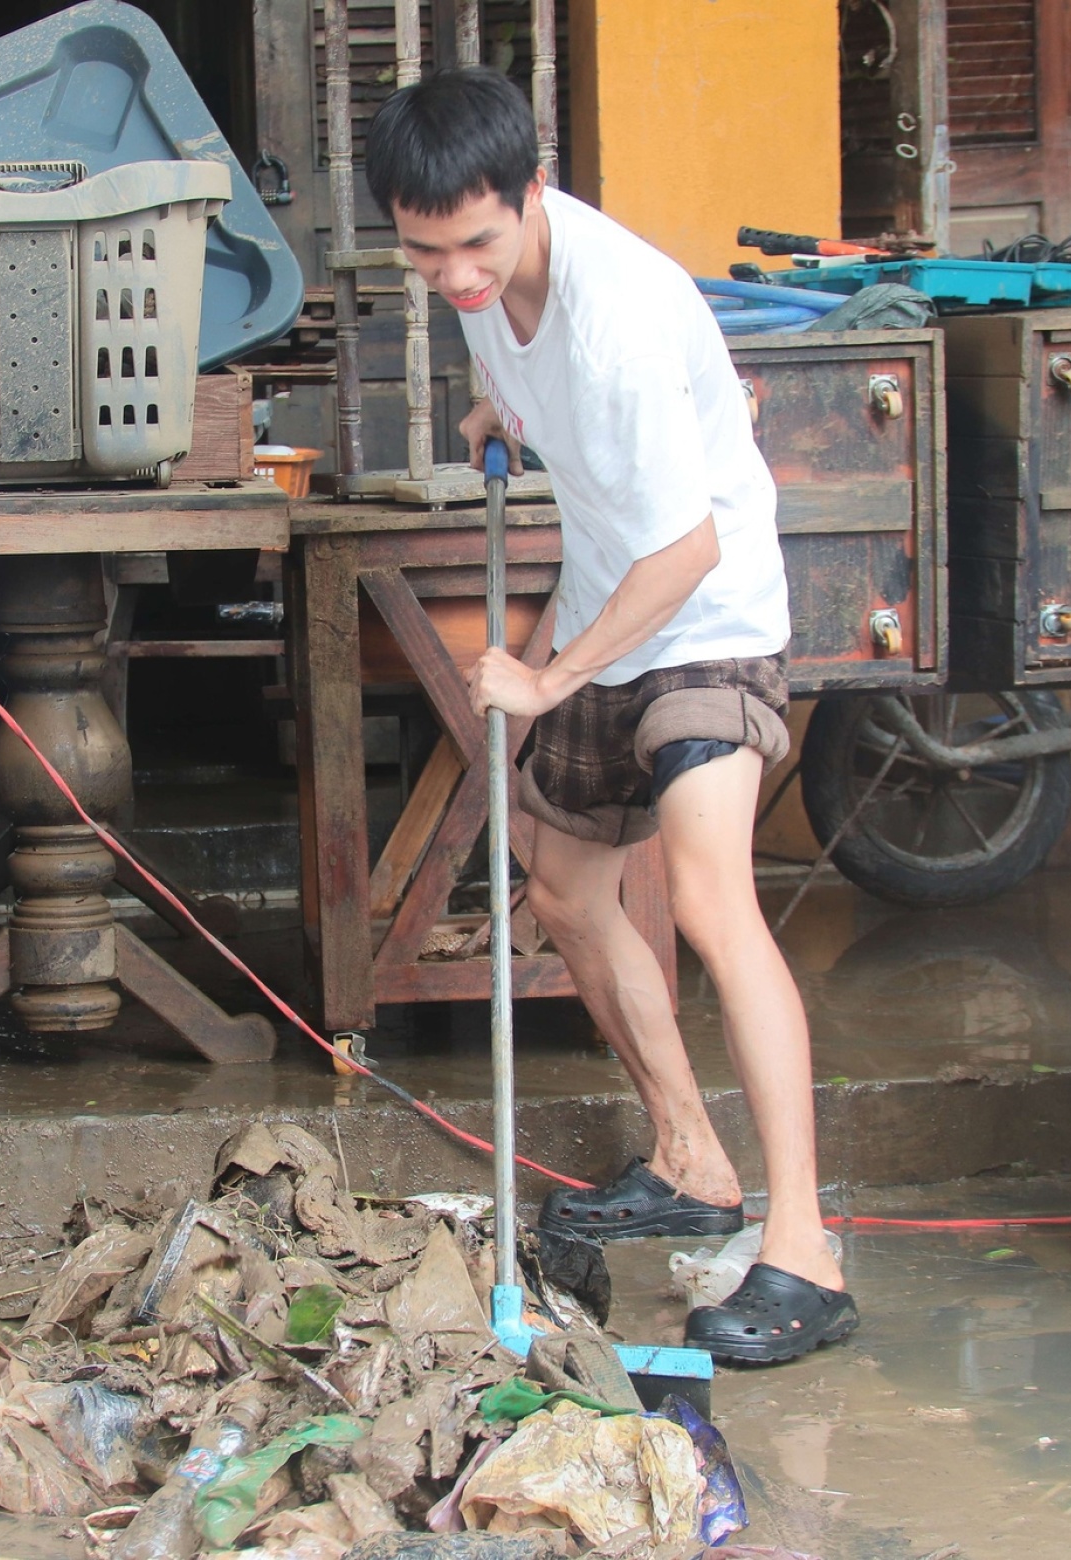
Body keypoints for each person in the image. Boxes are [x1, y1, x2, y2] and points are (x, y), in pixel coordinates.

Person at [365, 69, 856, 1363]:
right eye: (428, 253)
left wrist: (545, 676)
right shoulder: (484, 289)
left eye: (479, 243)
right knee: (568, 886)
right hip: (608, 598)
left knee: (706, 898)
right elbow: (525, 378)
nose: (459, 276)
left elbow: (686, 550)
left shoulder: (621, 312)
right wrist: (500, 411)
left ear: (533, 196)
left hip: (706, 619)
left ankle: (804, 1245)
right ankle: (691, 1160)